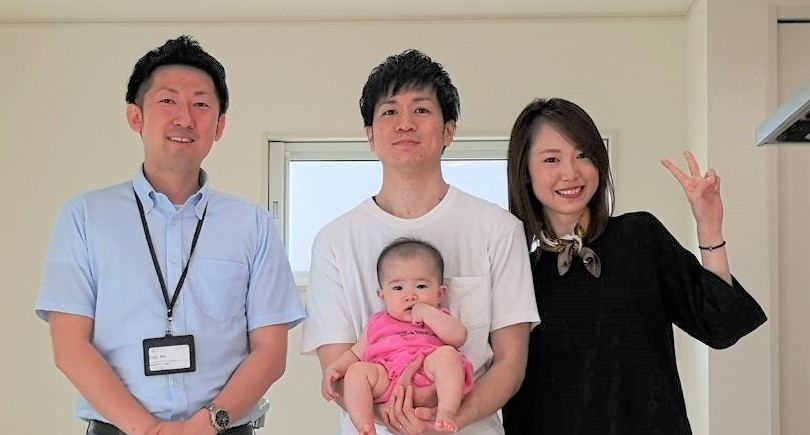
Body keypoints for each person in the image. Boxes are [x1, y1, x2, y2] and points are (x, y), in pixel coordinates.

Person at [35, 35, 305, 435]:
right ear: (136, 117)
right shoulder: (85, 217)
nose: (185, 118)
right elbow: (70, 347)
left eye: (201, 104)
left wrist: (207, 423)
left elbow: (270, 351)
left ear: (220, 125)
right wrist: (146, 429)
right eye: (168, 101)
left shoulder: (254, 224)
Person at [301, 49, 540, 435]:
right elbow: (337, 367)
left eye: (422, 110)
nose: (405, 124)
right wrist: (399, 420)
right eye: (390, 111)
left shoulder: (499, 229)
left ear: (449, 131)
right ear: (370, 136)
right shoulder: (333, 241)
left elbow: (511, 364)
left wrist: (448, 421)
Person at [501, 97, 767, 435]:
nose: (571, 172)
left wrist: (709, 226)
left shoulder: (639, 235)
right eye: (551, 159)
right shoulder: (518, 274)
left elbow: (721, 324)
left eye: (583, 155)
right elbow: (514, 395)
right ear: (525, 172)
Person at [322, 237, 475, 434]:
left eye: (421, 286)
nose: (410, 296)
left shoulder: (438, 317)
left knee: (448, 355)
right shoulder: (377, 323)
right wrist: (334, 368)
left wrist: (427, 313)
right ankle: (364, 425)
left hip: (428, 371)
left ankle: (446, 412)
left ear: (439, 293)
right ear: (383, 296)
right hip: (387, 377)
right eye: (398, 288)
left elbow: (459, 336)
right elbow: (355, 353)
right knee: (356, 371)